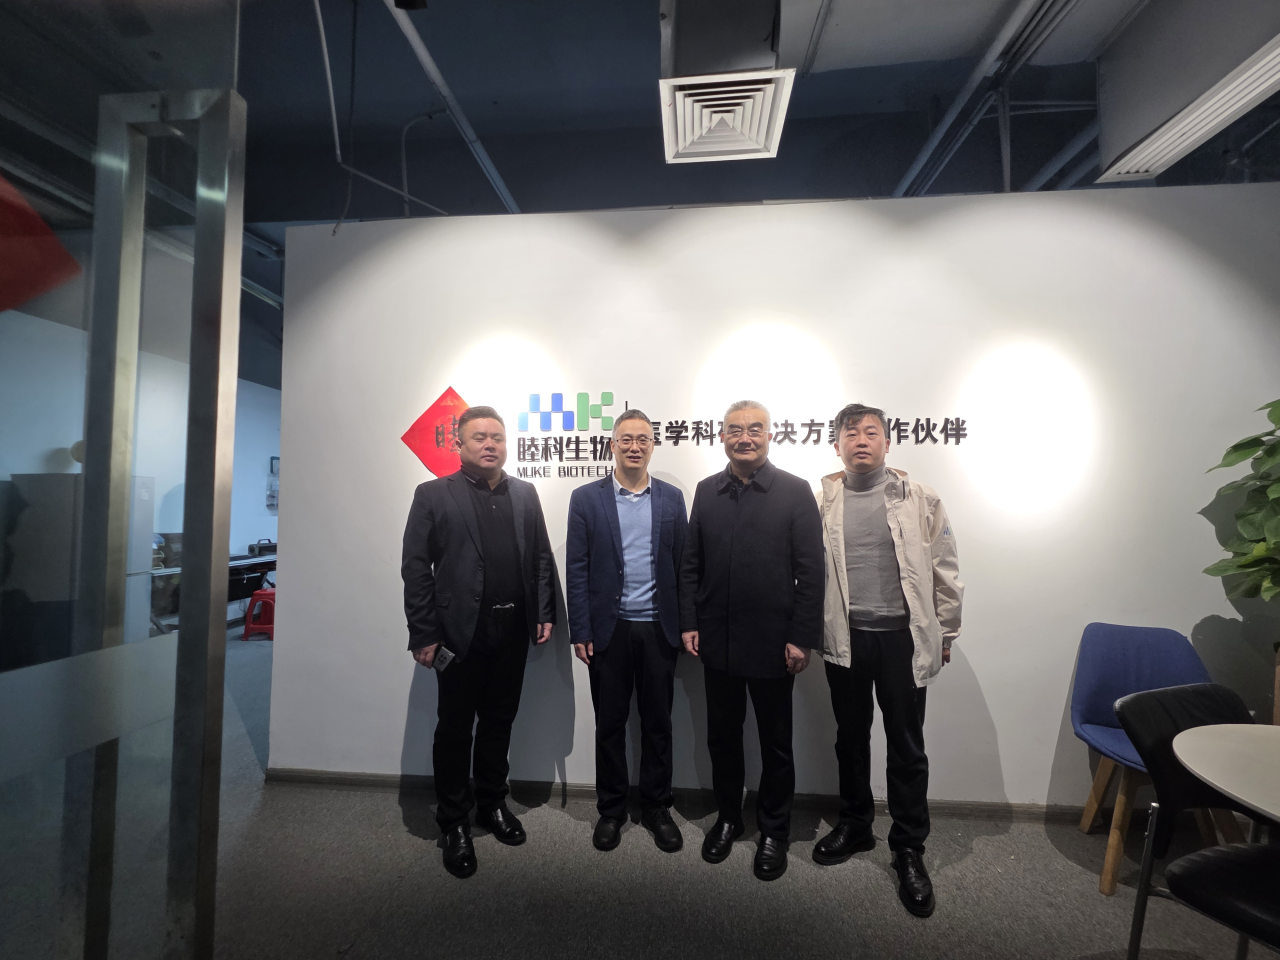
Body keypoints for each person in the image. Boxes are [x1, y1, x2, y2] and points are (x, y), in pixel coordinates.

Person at [813, 403, 963, 918]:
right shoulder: (822, 502)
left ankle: (908, 847)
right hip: (847, 639)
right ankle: (856, 824)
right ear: (836, 445)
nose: (861, 440)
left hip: (903, 639)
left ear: (887, 442)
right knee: (850, 738)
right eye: (851, 433)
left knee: (906, 745)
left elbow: (945, 566)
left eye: (871, 432)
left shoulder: (918, 497)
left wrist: (946, 630)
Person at [401, 405, 557, 879]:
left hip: (512, 631)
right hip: (458, 635)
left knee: (499, 721)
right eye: (479, 437)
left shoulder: (524, 494)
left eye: (497, 438)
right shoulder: (433, 494)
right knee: (454, 728)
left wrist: (543, 613)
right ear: (459, 444)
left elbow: (540, 559)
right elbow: (415, 568)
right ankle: (454, 821)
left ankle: (492, 803)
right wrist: (424, 632)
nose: (490, 445)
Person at [678, 400, 824, 881]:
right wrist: (690, 621)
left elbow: (812, 572)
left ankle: (775, 830)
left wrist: (801, 637)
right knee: (722, 739)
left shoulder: (795, 491)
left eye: (755, 429)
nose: (745, 437)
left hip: (774, 644)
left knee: (775, 743)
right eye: (735, 430)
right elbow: (692, 564)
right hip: (717, 641)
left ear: (769, 435)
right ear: (722, 437)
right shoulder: (707, 491)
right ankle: (728, 818)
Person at [566, 409, 688, 853]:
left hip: (659, 629)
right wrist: (580, 628)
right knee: (610, 724)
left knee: (658, 724)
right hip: (608, 631)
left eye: (643, 439)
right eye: (626, 439)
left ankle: (657, 806)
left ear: (653, 445)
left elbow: (683, 566)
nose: (635, 446)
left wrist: (688, 625)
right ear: (612, 445)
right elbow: (576, 568)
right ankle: (611, 809)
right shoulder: (586, 498)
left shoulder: (672, 498)